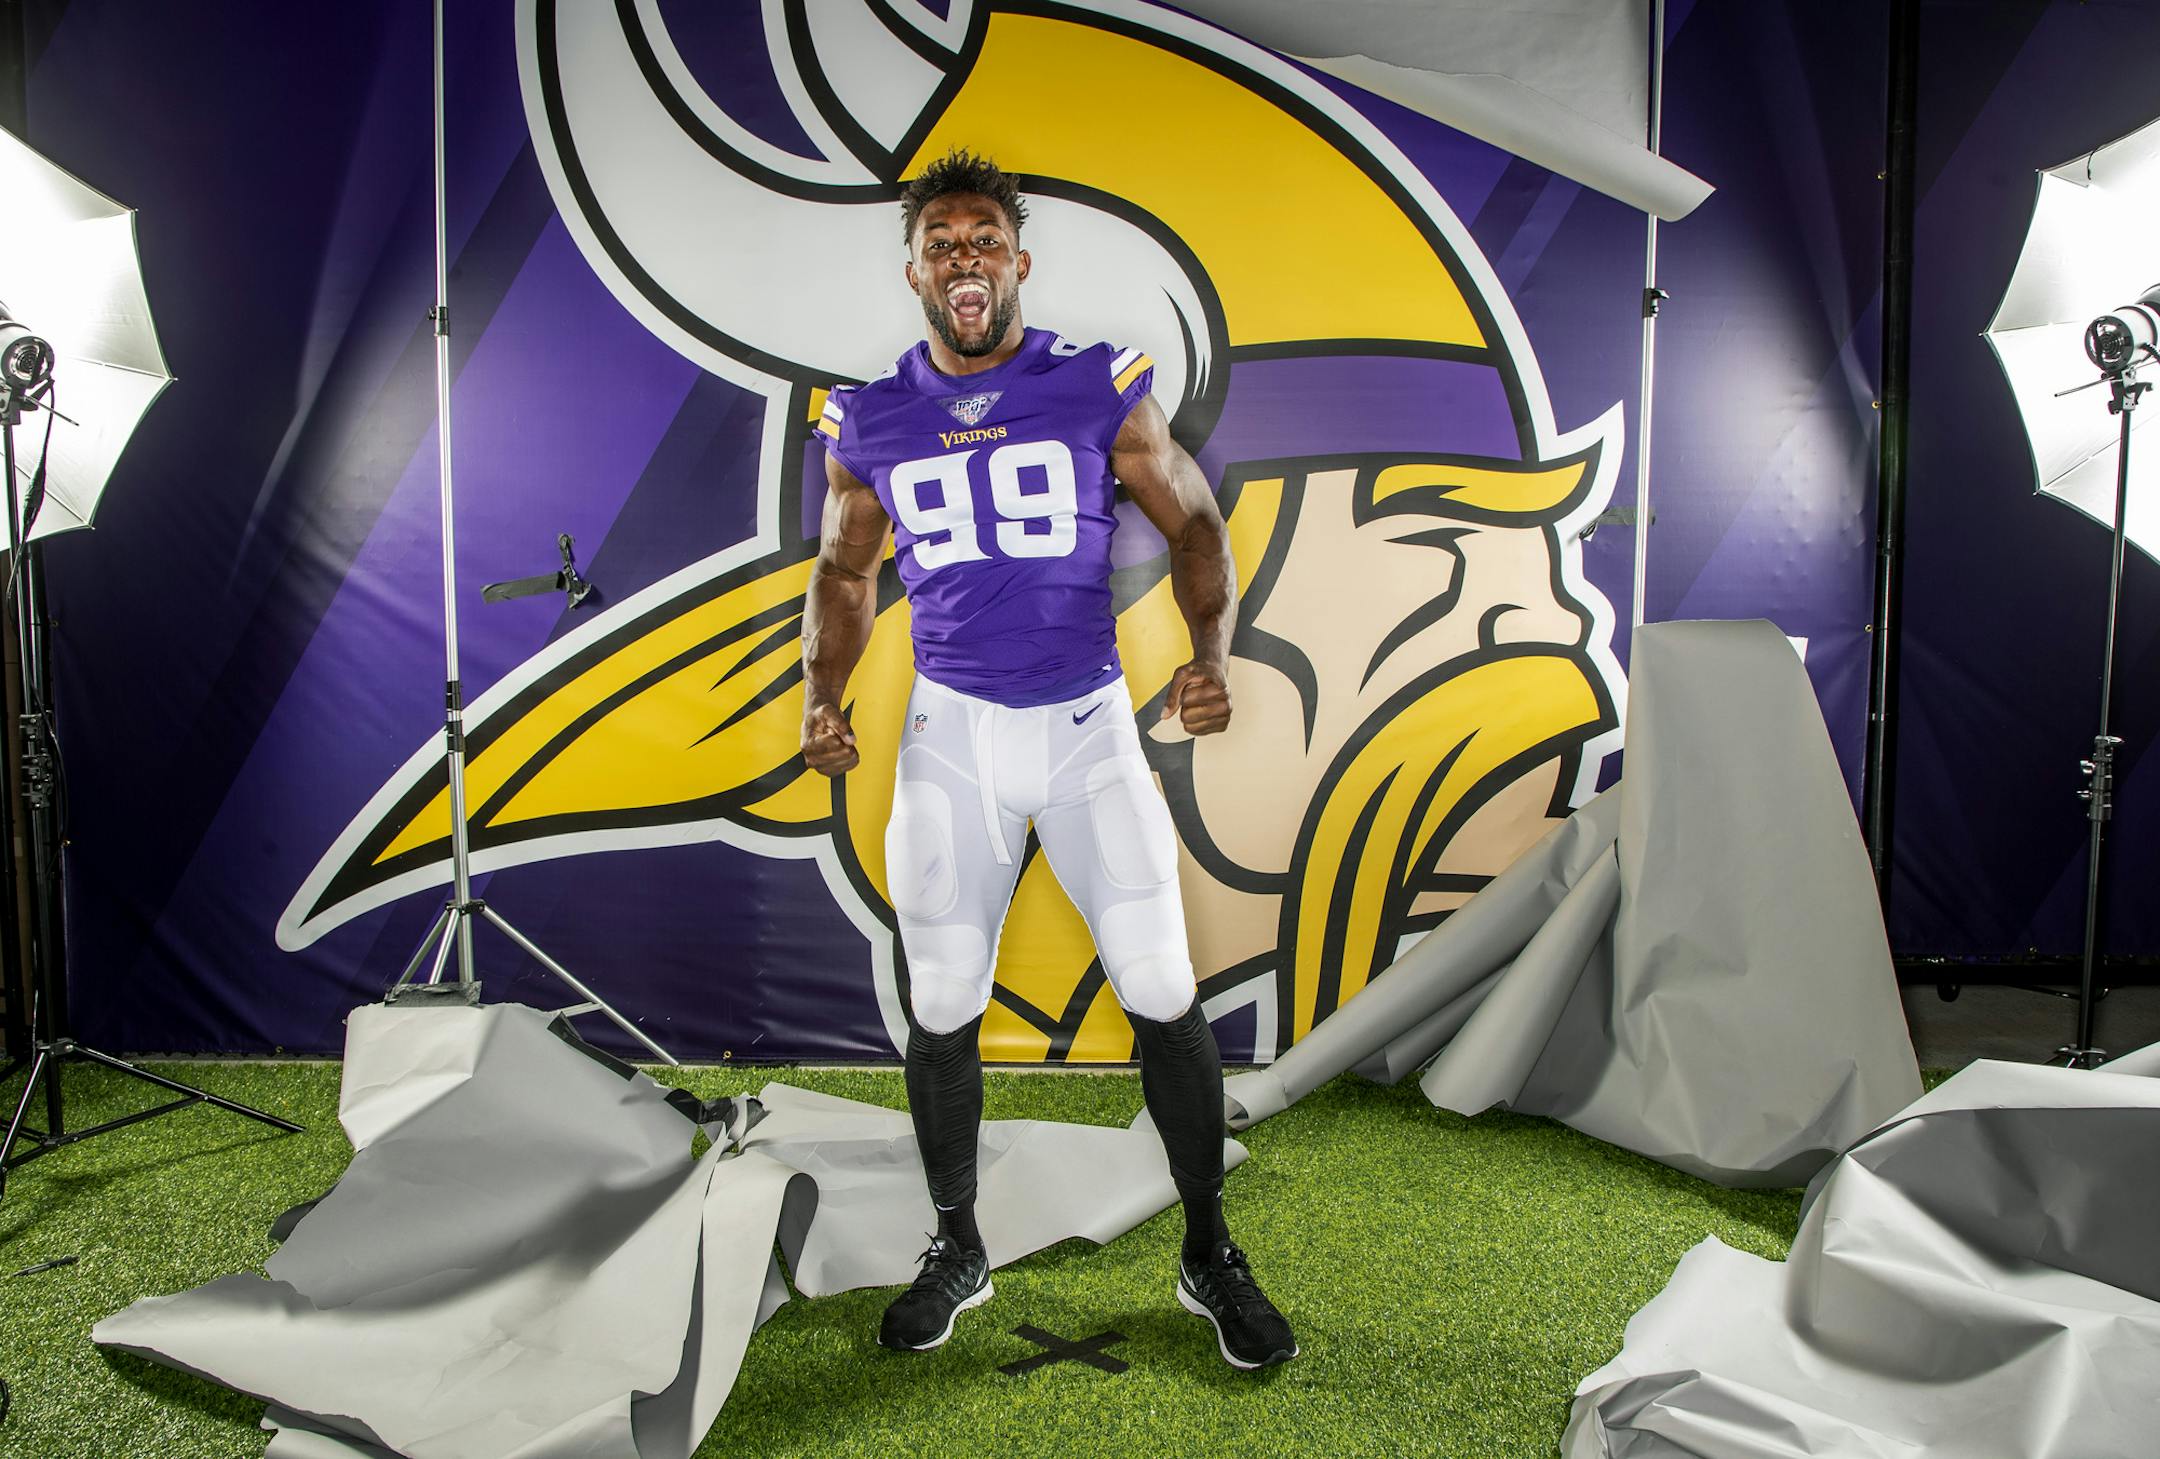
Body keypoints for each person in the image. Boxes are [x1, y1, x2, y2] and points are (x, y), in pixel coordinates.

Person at [799, 150, 1296, 1370]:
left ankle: (1208, 1249)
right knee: (943, 1002)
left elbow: (1197, 521)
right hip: (951, 737)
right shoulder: (869, 417)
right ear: (915, 269)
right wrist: (821, 695)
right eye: (942, 244)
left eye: (984, 240)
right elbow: (846, 573)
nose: (964, 259)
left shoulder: (1094, 386)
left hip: (1084, 727)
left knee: (1163, 989)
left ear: (1017, 260)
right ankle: (959, 1241)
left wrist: (1213, 653)